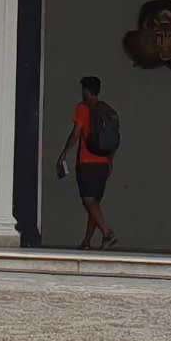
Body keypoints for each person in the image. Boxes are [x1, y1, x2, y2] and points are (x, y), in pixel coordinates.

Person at [53, 76, 119, 250]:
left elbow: (76, 133)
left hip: (87, 162)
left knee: (88, 200)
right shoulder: (107, 110)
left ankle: (107, 233)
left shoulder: (83, 108)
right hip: (103, 163)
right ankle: (87, 241)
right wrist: (110, 161)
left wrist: (63, 154)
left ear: (86, 91)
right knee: (94, 203)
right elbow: (114, 140)